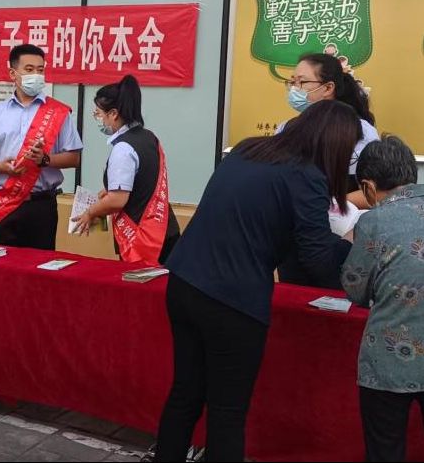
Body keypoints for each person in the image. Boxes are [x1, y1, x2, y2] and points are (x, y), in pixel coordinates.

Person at [154, 100, 359, 462]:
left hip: (184, 281)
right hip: (233, 300)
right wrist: (354, 250)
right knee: (227, 411)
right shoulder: (307, 176)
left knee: (186, 393)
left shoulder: (249, 150)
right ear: (336, 143)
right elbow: (317, 259)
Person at [341, 136, 424, 462]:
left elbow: (355, 289)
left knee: (385, 450)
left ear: (368, 187)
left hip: (389, 361)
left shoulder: (374, 222)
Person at [277, 52, 380, 288]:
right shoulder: (286, 128)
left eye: (302, 82)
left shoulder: (360, 131)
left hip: (342, 235)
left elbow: (373, 193)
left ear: (328, 88)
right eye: (292, 82)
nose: (294, 89)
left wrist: (330, 203)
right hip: (294, 234)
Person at [0, 44, 83, 250]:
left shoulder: (58, 112)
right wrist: (0, 167)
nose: (36, 75)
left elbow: (74, 158)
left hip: (42, 206)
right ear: (13, 74)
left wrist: (45, 159)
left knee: (39, 266)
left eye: (40, 70)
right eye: (29, 69)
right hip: (5, 202)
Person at [71, 75, 180, 265]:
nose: (98, 119)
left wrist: (90, 213)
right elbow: (143, 181)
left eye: (98, 114)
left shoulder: (123, 149)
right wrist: (111, 190)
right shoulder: (148, 137)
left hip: (143, 237)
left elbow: (117, 200)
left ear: (113, 114)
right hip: (165, 229)